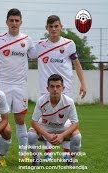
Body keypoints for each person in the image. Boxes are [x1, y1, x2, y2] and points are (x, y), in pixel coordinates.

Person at [30, 15, 86, 158]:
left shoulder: (69, 44)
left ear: (61, 26)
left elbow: (77, 64)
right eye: (51, 26)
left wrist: (83, 84)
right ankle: (48, 153)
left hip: (65, 88)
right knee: (47, 120)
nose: (53, 29)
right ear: (46, 28)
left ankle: (67, 154)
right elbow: (25, 54)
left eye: (56, 26)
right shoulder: (40, 45)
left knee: (64, 121)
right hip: (46, 88)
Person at [0, 8, 35, 161]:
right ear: (6, 22)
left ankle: (23, 153)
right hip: (3, 85)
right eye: (11, 20)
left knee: (20, 119)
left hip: (20, 85)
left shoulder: (27, 39)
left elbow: (36, 56)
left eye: (17, 20)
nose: (14, 23)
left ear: (21, 22)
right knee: (0, 121)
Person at [27, 74, 82, 166]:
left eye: (58, 86)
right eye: (52, 86)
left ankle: (71, 159)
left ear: (63, 88)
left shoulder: (69, 102)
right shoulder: (41, 100)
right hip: (45, 127)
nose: (55, 89)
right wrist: (47, 135)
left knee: (77, 137)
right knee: (31, 135)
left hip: (62, 127)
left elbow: (75, 123)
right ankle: (36, 159)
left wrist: (62, 136)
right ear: (47, 88)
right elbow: (34, 122)